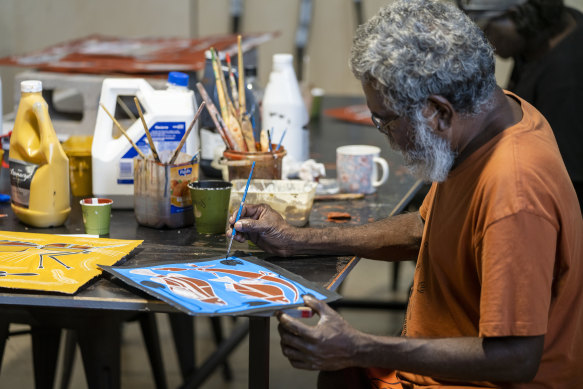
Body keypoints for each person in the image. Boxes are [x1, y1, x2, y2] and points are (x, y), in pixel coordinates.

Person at [227, 0, 583, 388]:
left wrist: (361, 347)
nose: (386, 136)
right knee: (339, 376)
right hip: (441, 362)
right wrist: (299, 241)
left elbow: (516, 358)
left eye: (386, 120)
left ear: (439, 112)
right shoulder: (488, 119)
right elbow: (425, 229)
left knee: (343, 370)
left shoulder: (514, 191)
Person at [457, 0, 583, 209]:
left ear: (516, 15)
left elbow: (565, 185)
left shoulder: (565, 82)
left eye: (485, 29)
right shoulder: (548, 30)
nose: (484, 42)